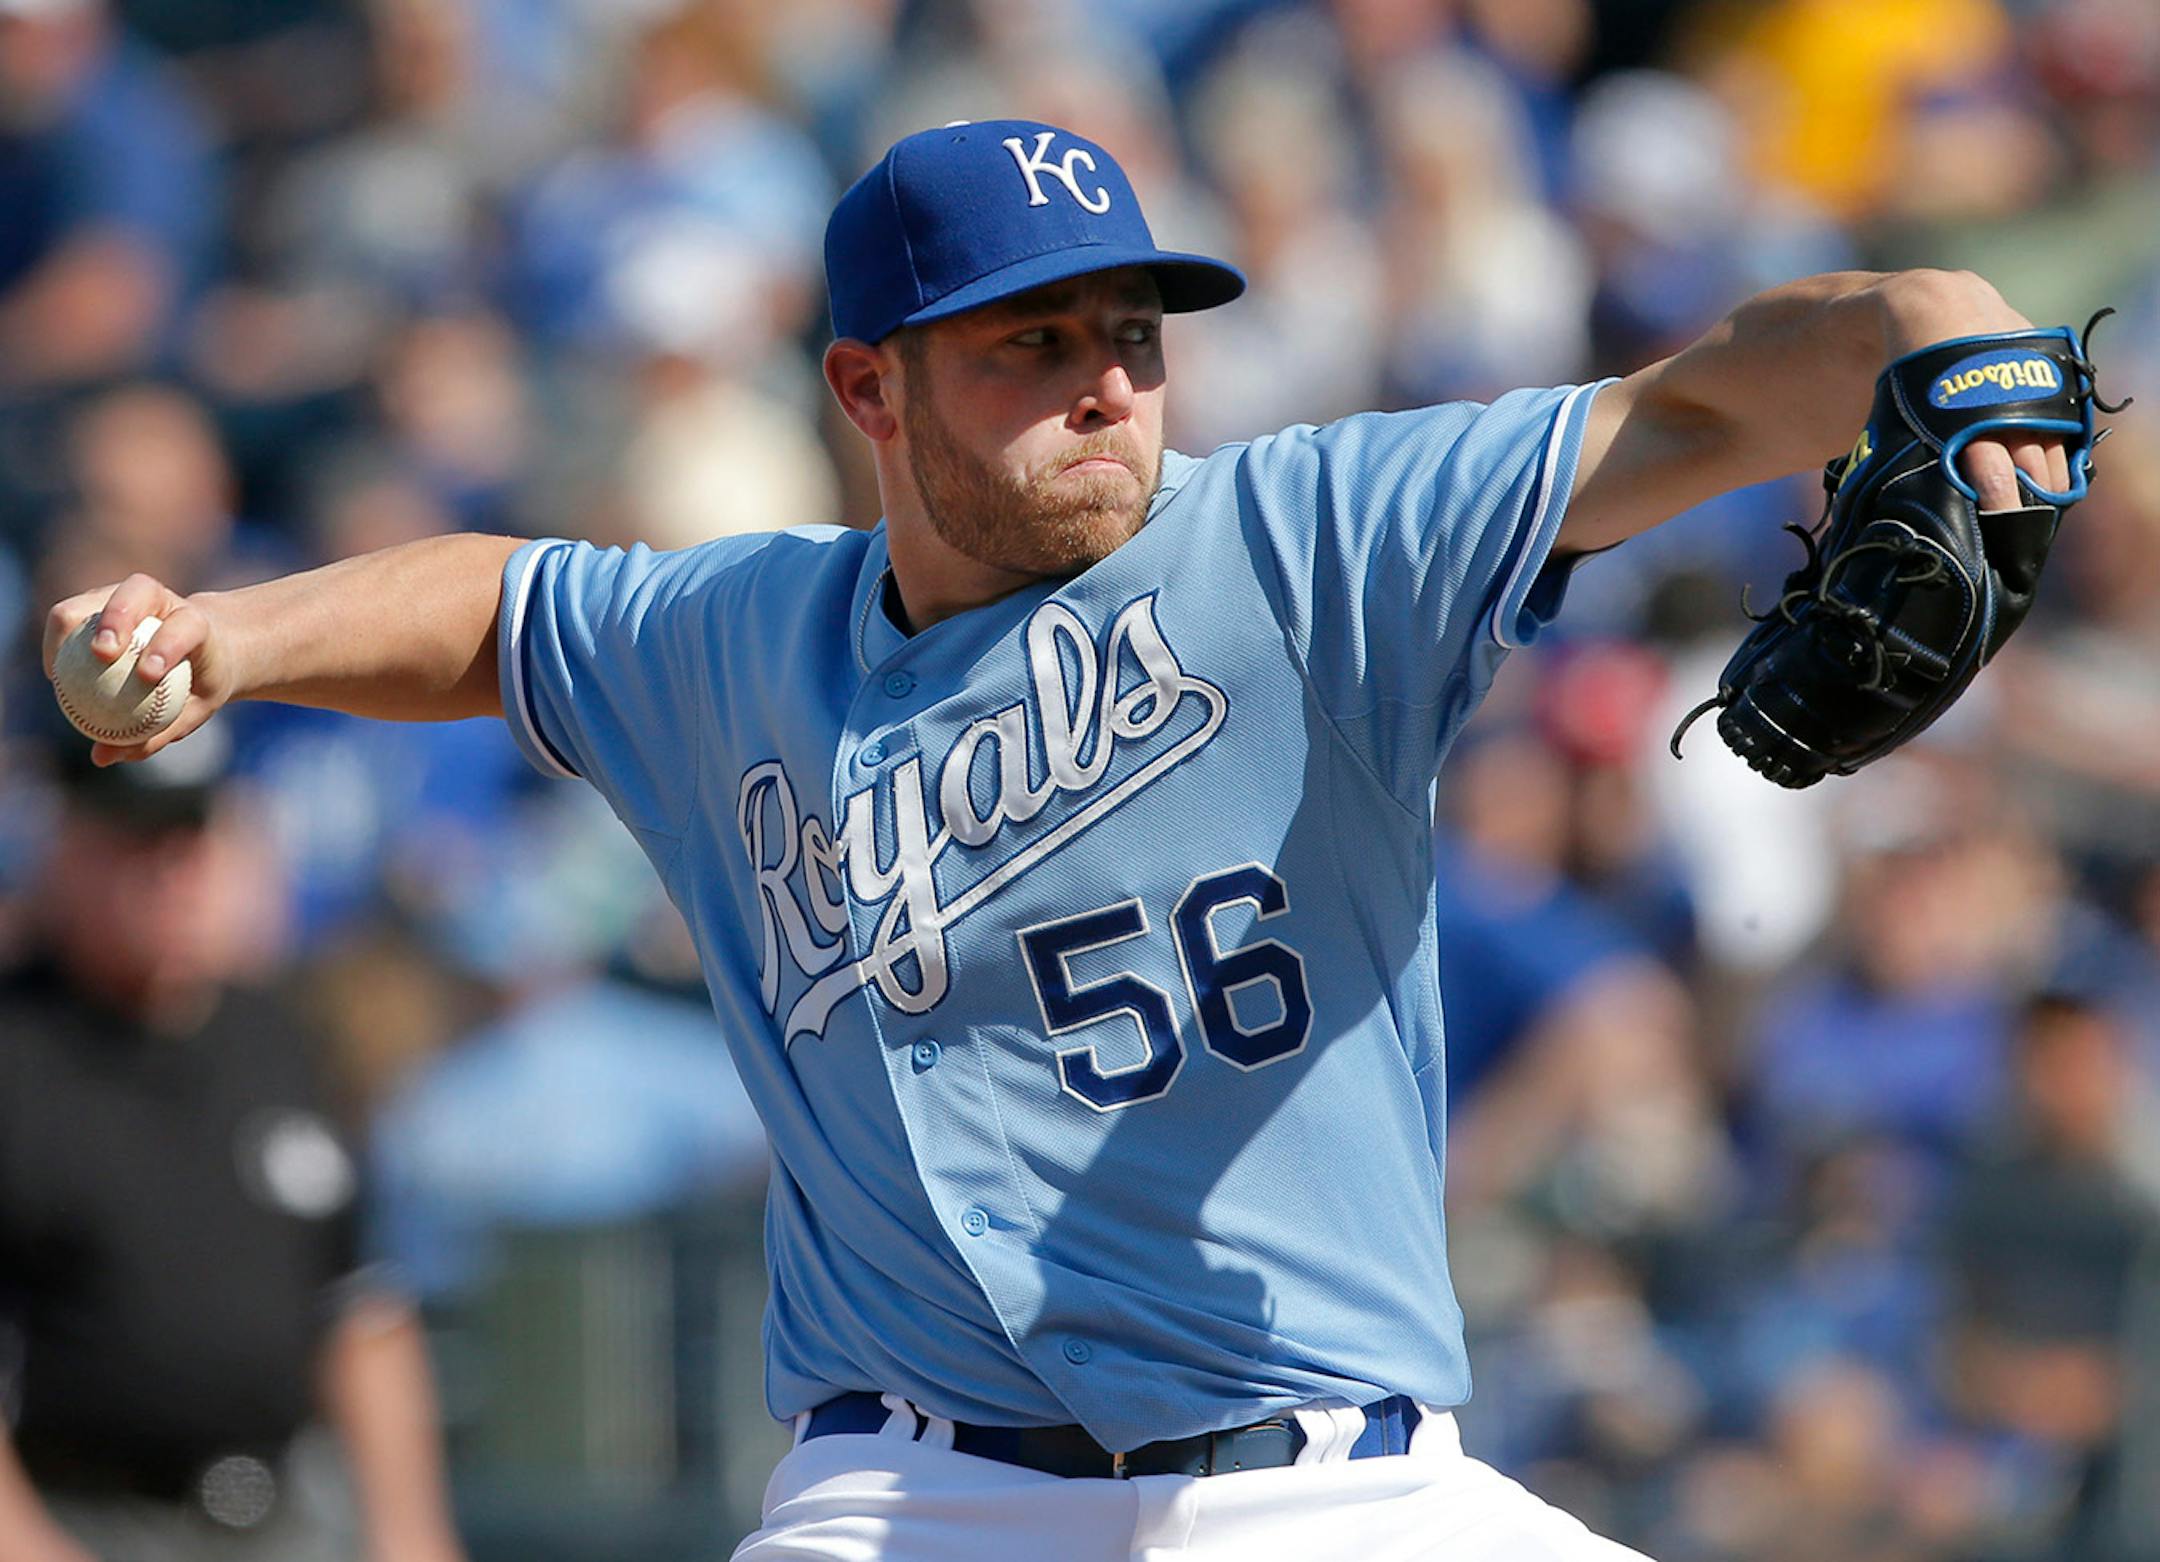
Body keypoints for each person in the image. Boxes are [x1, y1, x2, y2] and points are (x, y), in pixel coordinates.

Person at [43, 119, 2077, 1559]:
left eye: (1134, 333)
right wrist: (230, 635)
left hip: (1338, 1491)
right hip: (917, 1498)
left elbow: (1717, 408)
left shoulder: (1316, 538)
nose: (1107, 384)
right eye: (1032, 342)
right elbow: (499, 609)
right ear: (870, 384)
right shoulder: (741, 638)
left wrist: (1931, 309)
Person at [0, 732, 468, 1562]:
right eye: (135, 844)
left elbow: (361, 1311)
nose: (169, 874)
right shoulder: (20, 1052)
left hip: (287, 1516)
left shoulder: (278, 1041)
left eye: (189, 839)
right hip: (85, 1517)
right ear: (68, 848)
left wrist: (412, 1535)